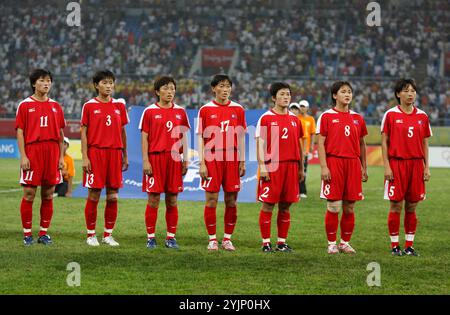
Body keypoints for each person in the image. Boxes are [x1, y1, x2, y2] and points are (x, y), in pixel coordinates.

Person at [381, 78, 432, 256]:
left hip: (417, 165)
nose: (410, 94)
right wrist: (387, 166)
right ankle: (395, 246)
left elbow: (425, 144)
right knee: (396, 206)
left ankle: (409, 246)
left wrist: (426, 167)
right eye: (406, 90)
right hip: (397, 164)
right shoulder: (390, 115)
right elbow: (384, 143)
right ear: (398, 94)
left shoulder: (422, 116)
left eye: (413, 91)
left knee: (412, 206)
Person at [316, 81, 368, 254]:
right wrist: (324, 167)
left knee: (349, 206)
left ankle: (344, 242)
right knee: (334, 206)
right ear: (334, 95)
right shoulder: (326, 116)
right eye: (343, 91)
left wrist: (363, 167)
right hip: (334, 162)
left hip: (353, 164)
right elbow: (321, 143)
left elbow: (361, 144)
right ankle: (331, 243)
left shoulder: (358, 118)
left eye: (349, 92)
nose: (347, 94)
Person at [139, 76, 190, 250]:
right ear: (157, 91)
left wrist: (186, 159)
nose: (170, 92)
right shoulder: (150, 111)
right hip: (156, 158)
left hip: (175, 159)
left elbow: (184, 136)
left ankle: (171, 237)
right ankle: (150, 237)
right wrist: (146, 160)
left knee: (172, 199)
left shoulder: (181, 112)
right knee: (153, 199)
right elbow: (144, 137)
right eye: (166, 88)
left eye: (172, 88)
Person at [16, 68, 66, 246]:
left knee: (48, 194)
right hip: (33, 151)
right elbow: (20, 133)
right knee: (29, 194)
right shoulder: (25, 105)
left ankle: (43, 233)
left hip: (52, 152)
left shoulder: (56, 106)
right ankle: (27, 234)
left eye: (48, 81)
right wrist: (23, 156)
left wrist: (61, 158)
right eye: (42, 80)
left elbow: (60, 135)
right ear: (33, 83)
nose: (46, 84)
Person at [196, 74, 246, 251]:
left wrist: (242, 160)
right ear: (214, 88)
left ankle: (227, 238)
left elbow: (240, 137)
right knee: (211, 200)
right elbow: (201, 137)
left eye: (228, 86)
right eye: (222, 86)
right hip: (212, 157)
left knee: (231, 200)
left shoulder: (238, 109)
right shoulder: (205, 109)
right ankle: (212, 239)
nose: (225, 90)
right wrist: (202, 163)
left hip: (232, 158)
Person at [81, 70, 129, 247]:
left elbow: (122, 132)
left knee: (113, 197)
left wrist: (125, 155)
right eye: (105, 83)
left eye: (111, 83)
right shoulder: (89, 106)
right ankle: (91, 234)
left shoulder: (119, 106)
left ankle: (108, 235)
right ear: (96, 85)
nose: (109, 86)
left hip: (115, 154)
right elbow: (84, 133)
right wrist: (85, 157)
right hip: (96, 153)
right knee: (94, 194)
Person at [257, 82, 305, 252]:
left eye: (288, 94)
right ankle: (265, 243)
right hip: (273, 166)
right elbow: (260, 144)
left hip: (291, 167)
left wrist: (301, 168)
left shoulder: (295, 120)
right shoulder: (266, 118)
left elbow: (298, 145)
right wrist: (263, 167)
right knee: (268, 205)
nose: (286, 97)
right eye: (282, 94)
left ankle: (281, 242)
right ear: (273, 98)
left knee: (286, 205)